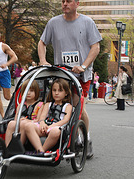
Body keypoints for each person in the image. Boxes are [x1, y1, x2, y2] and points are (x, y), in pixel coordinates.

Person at [37, 0, 102, 158]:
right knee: (61, 105)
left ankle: (86, 139)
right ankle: (62, 137)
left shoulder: (87, 22)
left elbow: (96, 47)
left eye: (68, 1)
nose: (65, 4)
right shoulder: (54, 23)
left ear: (77, 3)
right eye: (63, 1)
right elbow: (42, 42)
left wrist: (84, 65)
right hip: (62, 74)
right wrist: (43, 61)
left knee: (78, 107)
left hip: (80, 74)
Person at [25, 78, 72, 152]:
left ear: (66, 93)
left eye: (60, 90)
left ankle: (43, 150)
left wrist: (51, 126)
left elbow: (65, 120)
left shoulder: (68, 106)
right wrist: (42, 123)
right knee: (28, 126)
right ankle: (39, 150)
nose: (56, 93)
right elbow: (42, 117)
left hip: (57, 127)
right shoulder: (48, 104)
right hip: (45, 125)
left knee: (55, 131)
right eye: (54, 90)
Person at [5, 80, 44, 146]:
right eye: (26, 91)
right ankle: (7, 147)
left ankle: (19, 146)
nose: (28, 93)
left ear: (36, 92)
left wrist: (27, 120)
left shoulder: (40, 105)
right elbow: (16, 118)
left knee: (23, 123)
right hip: (20, 123)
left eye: (31, 91)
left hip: (32, 124)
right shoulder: (21, 105)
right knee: (11, 123)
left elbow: (38, 120)